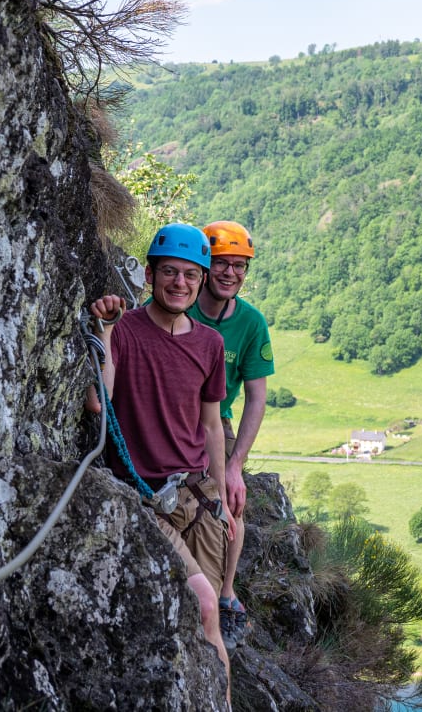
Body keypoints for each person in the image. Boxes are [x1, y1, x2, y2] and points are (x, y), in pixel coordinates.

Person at [89, 223, 235, 701]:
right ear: (150, 275)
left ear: (202, 280)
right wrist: (106, 331)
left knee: (204, 621)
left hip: (198, 497)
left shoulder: (210, 345)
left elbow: (211, 426)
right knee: (206, 606)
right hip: (148, 495)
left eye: (191, 275)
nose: (180, 283)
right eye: (169, 272)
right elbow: (99, 404)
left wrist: (223, 499)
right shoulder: (126, 331)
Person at [189, 220, 275, 651]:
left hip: (214, 421)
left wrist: (235, 464)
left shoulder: (251, 323)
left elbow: (256, 399)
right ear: (206, 266)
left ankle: (226, 594)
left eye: (240, 266)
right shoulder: (180, 303)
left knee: (229, 504)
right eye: (222, 264)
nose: (231, 274)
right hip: (169, 413)